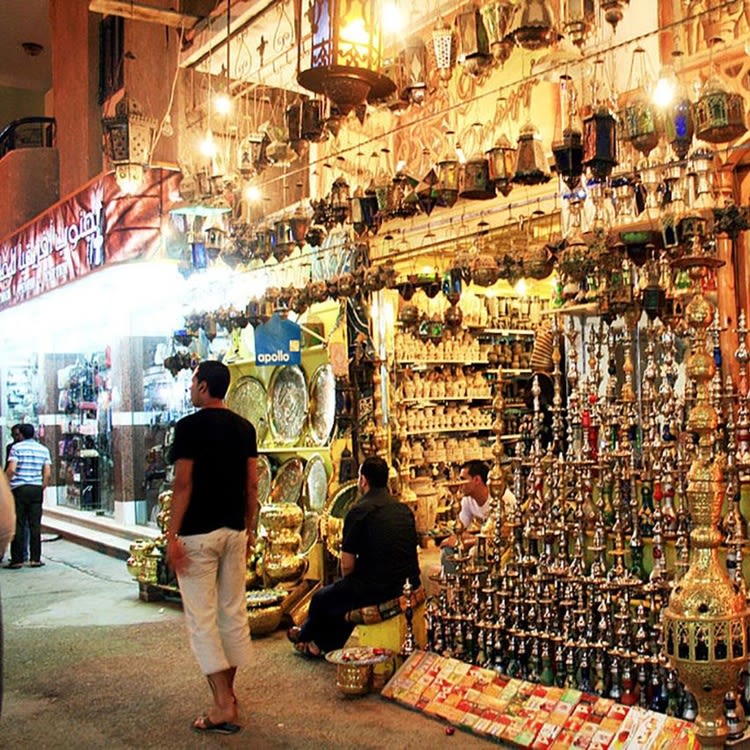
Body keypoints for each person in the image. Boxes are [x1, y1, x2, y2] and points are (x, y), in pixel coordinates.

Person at [165, 361, 258, 736]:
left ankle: (222, 705)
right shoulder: (245, 428)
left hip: (198, 535)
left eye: (193, 382)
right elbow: (253, 485)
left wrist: (171, 535)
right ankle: (228, 694)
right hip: (234, 531)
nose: (190, 388)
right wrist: (250, 530)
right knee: (232, 615)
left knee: (202, 620)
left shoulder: (188, 427)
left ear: (204, 387)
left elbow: (182, 484)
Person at [288, 455, 421, 657]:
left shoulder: (358, 511)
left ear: (363, 480)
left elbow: (347, 566)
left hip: (381, 588)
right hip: (409, 583)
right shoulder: (403, 509)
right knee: (344, 599)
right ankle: (317, 643)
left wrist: (351, 583)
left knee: (323, 598)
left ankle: (306, 636)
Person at [440, 459, 516, 575]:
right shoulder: (467, 500)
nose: (460, 484)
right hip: (483, 542)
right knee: (447, 551)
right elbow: (461, 530)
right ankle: (456, 583)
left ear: (477, 480)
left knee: (475, 552)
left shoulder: (503, 497)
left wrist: (471, 540)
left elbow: (503, 535)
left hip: (503, 547)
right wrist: (456, 538)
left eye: (463, 479)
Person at [5, 424, 51, 569]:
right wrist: (41, 486)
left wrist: (5, 484)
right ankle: (35, 559)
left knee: (18, 524)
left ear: (21, 434)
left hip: (19, 489)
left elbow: (11, 469)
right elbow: (47, 473)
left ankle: (17, 559)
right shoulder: (43, 449)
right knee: (35, 525)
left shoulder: (16, 448)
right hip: (36, 489)